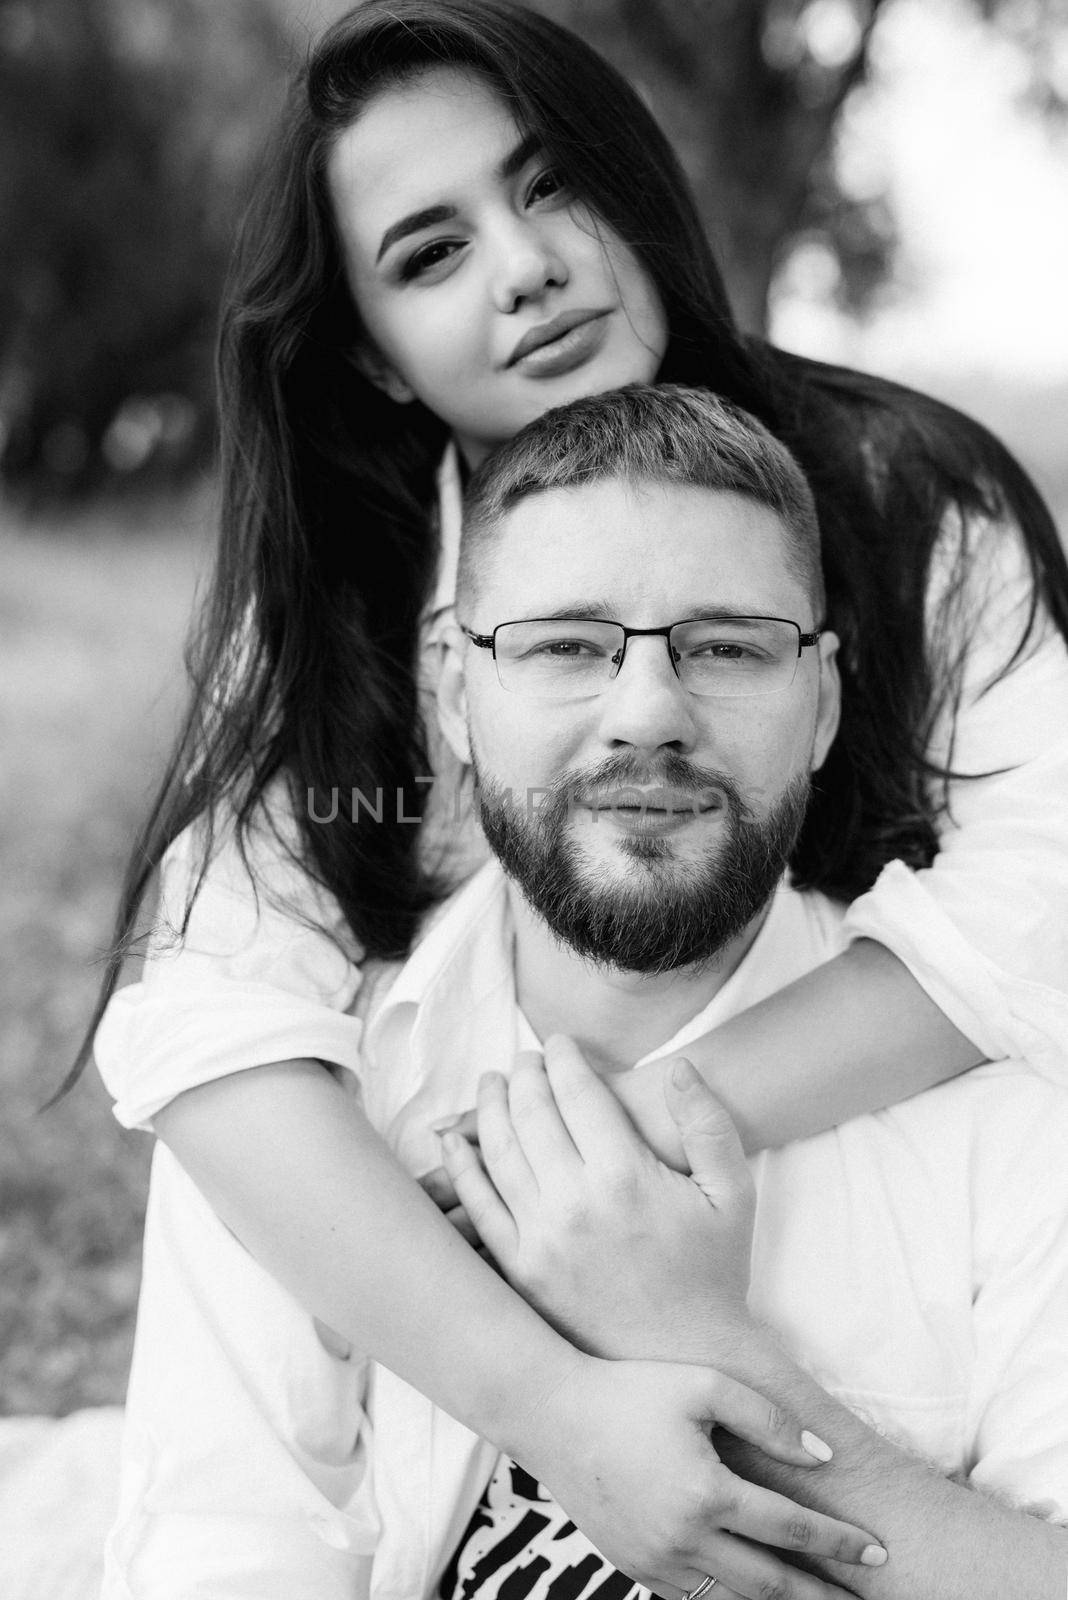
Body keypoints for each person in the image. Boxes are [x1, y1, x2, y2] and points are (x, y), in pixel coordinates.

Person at [82, 0, 1068, 1580]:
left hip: (855, 1163)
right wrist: (540, 1386)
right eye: (429, 254)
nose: (524, 265)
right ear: (371, 357)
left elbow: (1044, 909)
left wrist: (612, 1149)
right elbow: (207, 1009)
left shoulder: (904, 507)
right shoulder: (344, 600)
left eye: (551, 186)